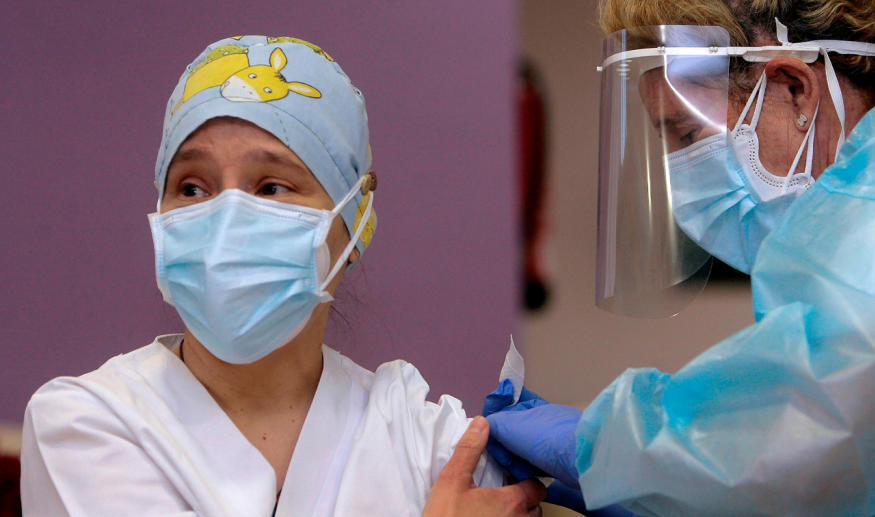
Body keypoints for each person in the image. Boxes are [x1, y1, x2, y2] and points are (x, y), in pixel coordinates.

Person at [19, 35, 545, 517]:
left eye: (271, 187)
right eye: (192, 188)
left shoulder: (424, 440)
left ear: (355, 223)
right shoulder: (85, 425)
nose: (226, 220)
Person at [483, 0, 875, 515]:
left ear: (794, 87)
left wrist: (609, 451)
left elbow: (827, 426)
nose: (679, 173)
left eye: (687, 135)